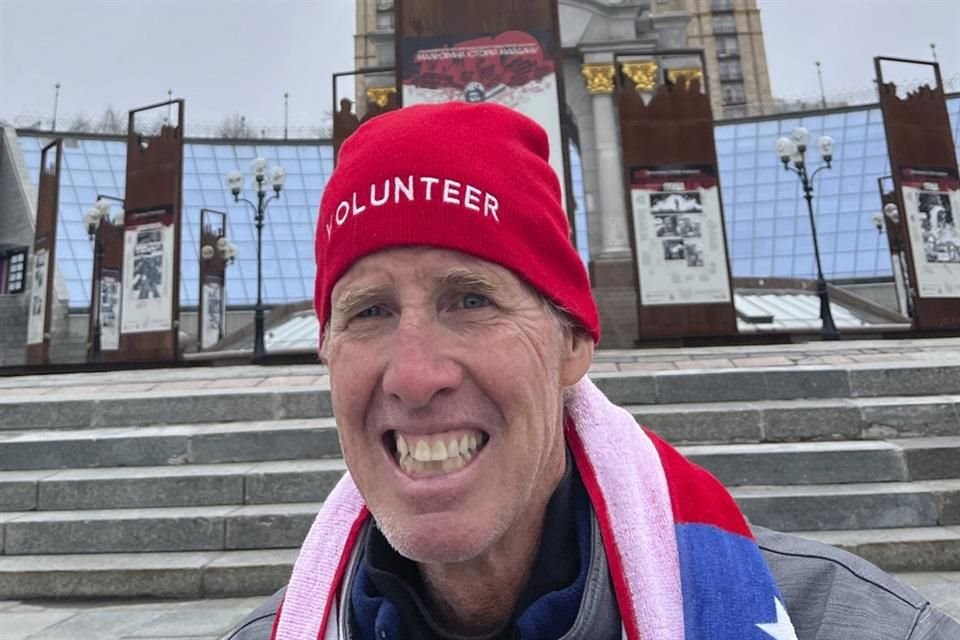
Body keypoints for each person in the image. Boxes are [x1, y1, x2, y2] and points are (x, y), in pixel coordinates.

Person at [227, 102, 958, 640]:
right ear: (326, 349)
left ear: (573, 339)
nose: (415, 376)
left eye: (472, 299)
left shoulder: (845, 622)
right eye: (368, 312)